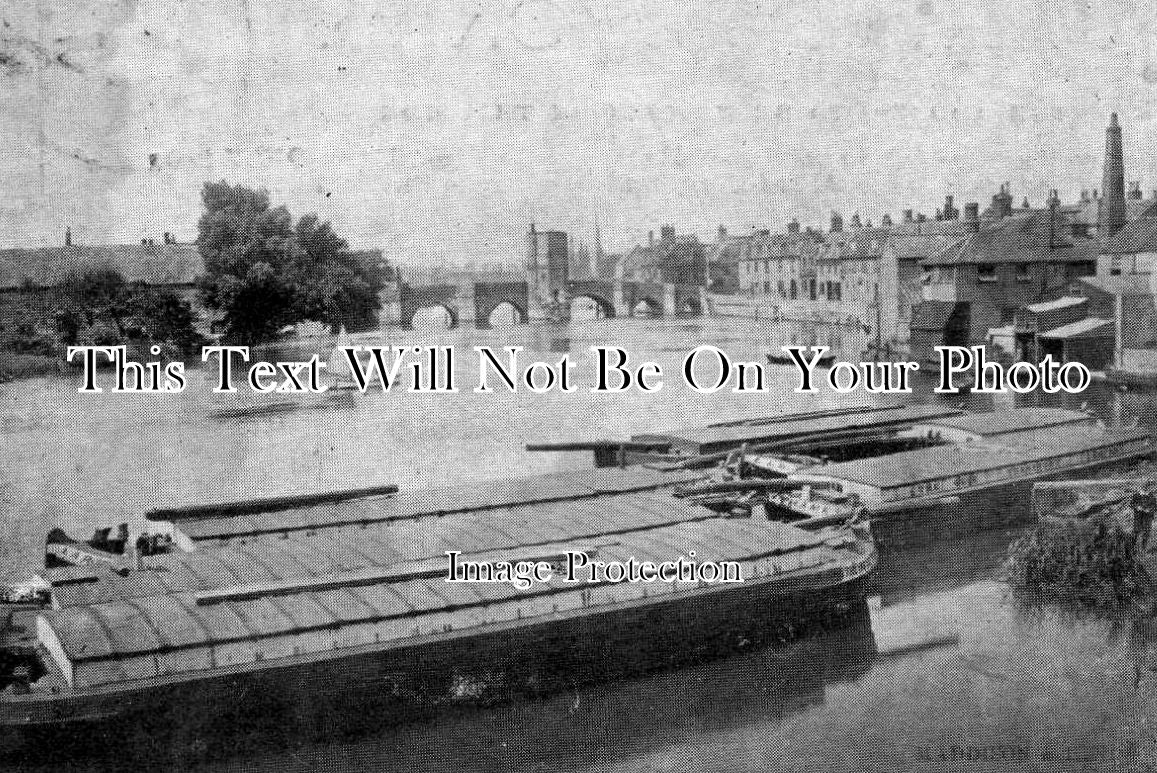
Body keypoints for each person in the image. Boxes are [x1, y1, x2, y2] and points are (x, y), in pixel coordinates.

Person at [1131, 481, 1157, 551]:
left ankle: (1143, 549)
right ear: (1146, 487)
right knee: (1136, 531)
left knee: (1147, 532)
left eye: (1152, 487)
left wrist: (1149, 510)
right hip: (1138, 516)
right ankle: (1132, 547)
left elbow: (1155, 507)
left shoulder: (1152, 497)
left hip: (1148, 517)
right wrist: (1137, 507)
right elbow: (1132, 504)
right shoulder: (1137, 495)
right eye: (1150, 487)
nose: (1152, 489)